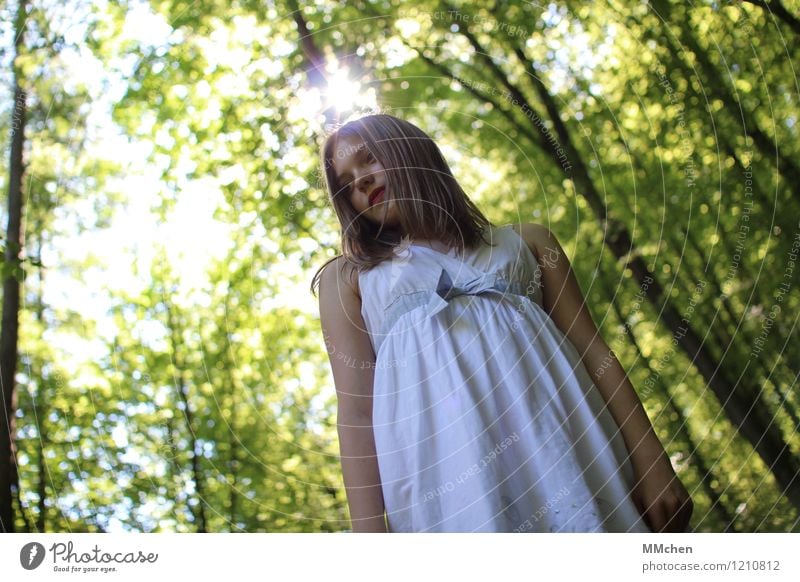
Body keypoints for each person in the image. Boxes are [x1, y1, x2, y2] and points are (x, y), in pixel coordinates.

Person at [311, 112, 693, 533]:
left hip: (571, 449)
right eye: (346, 184)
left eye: (368, 159)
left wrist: (653, 461)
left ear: (413, 151)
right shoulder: (351, 280)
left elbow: (594, 352)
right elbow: (357, 413)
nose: (360, 182)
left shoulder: (527, 243)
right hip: (447, 484)